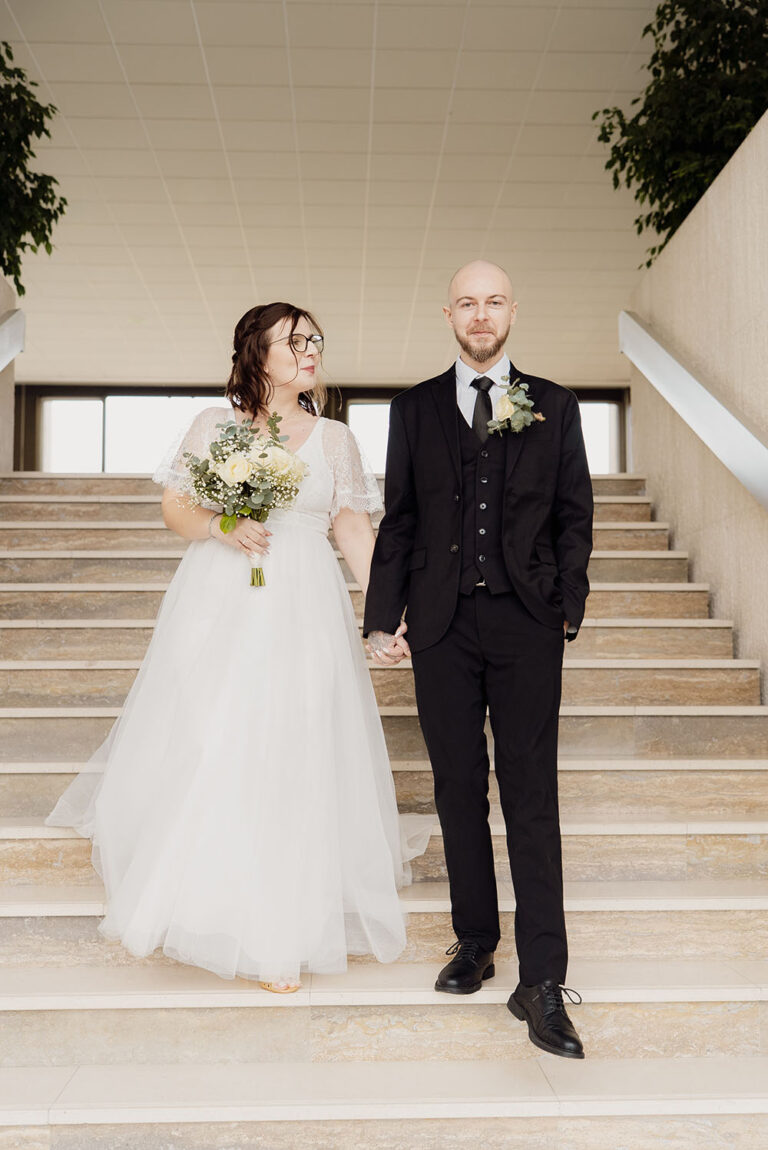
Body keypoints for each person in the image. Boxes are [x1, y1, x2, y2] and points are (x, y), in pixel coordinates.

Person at [47, 301, 430, 993]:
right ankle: (213, 903)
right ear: (257, 353)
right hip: (221, 599)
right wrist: (225, 524)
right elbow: (175, 509)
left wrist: (384, 617)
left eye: (316, 340)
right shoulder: (211, 427)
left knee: (293, 746)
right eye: (295, 341)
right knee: (218, 741)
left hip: (304, 605)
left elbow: (351, 534)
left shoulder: (335, 439)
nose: (311, 351)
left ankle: (282, 927)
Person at [364, 261, 593, 1058]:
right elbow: (398, 519)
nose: (482, 314)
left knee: (531, 794)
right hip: (439, 625)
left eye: (494, 301)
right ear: (449, 314)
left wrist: (568, 600)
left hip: (528, 622)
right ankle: (474, 939)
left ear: (512, 312)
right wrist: (379, 619)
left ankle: (543, 982)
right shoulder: (414, 407)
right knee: (458, 786)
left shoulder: (556, 406)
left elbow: (574, 516)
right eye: (468, 302)